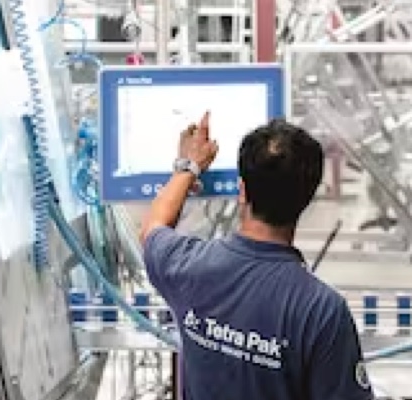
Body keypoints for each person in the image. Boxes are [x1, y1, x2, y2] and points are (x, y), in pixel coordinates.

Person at [139, 112, 374, 400]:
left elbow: (152, 228)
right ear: (307, 198)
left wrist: (187, 167)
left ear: (242, 190)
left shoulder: (189, 266)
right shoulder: (321, 310)